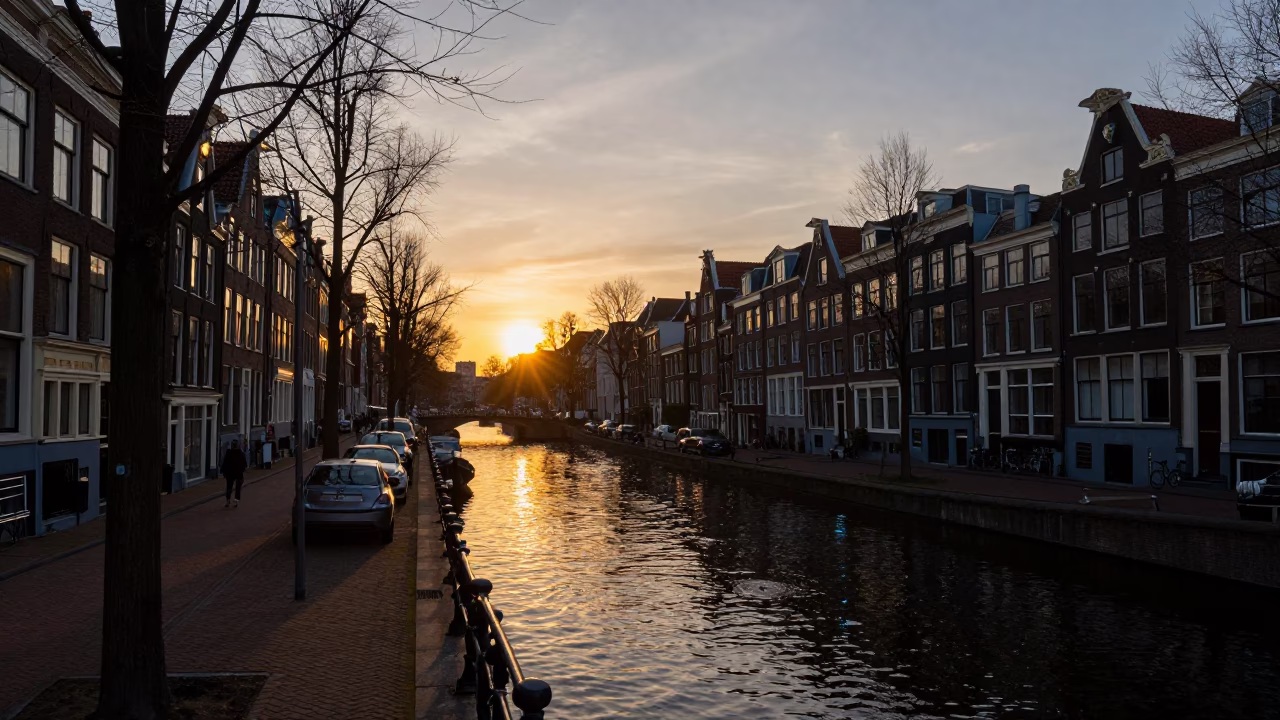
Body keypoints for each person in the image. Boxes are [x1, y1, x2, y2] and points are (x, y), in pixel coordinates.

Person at [221, 439, 248, 508]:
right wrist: (242, 470)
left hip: (230, 473)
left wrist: (223, 471)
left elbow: (225, 463)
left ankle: (228, 500)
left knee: (229, 486)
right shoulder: (240, 453)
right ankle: (236, 500)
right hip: (238, 473)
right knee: (238, 487)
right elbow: (244, 463)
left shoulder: (229, 453)